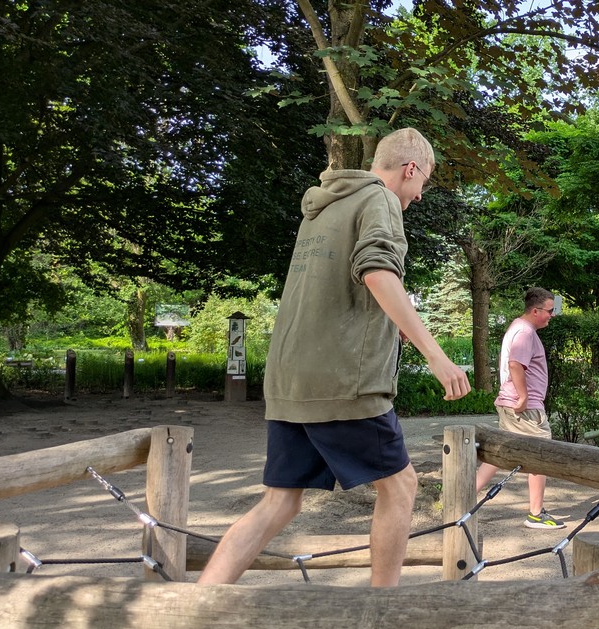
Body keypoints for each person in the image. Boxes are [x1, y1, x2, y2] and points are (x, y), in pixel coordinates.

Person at [197, 128, 470, 588]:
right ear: (411, 169)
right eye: (423, 181)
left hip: (289, 380)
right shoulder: (380, 199)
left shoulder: (322, 208)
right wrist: (436, 355)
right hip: (343, 381)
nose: (420, 195)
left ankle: (198, 606)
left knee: (280, 503)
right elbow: (378, 272)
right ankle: (380, 611)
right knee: (401, 486)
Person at [474, 287, 565, 529]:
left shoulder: (519, 328)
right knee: (540, 454)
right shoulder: (525, 332)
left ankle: (462, 498)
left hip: (512, 404)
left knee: (498, 454)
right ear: (535, 311)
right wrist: (524, 396)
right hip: (525, 407)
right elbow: (515, 364)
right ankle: (536, 514)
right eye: (549, 311)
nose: (552, 315)